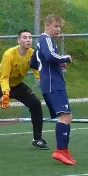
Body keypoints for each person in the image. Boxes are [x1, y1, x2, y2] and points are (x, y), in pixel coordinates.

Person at [31, 15, 75, 165]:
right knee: (64, 117)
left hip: (51, 83)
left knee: (68, 117)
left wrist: (56, 66)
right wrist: (65, 58)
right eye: (56, 26)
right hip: (53, 84)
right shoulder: (46, 39)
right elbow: (50, 56)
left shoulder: (41, 42)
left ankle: (65, 150)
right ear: (47, 25)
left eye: (59, 26)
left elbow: (34, 62)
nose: (58, 29)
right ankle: (60, 150)